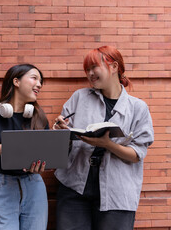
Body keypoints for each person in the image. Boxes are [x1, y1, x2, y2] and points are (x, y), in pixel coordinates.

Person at [53, 46, 154, 230]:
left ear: (114, 66)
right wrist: (62, 129)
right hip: (75, 187)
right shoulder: (79, 98)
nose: (90, 74)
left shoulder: (138, 108)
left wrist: (107, 144)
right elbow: (61, 143)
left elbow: (137, 154)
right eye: (87, 70)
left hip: (117, 193)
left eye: (94, 67)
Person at [0, 64, 49, 230]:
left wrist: (42, 165)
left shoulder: (38, 116)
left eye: (41, 81)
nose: (39, 84)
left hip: (34, 184)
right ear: (16, 81)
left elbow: (45, 153)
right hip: (2, 186)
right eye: (34, 78)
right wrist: (9, 144)